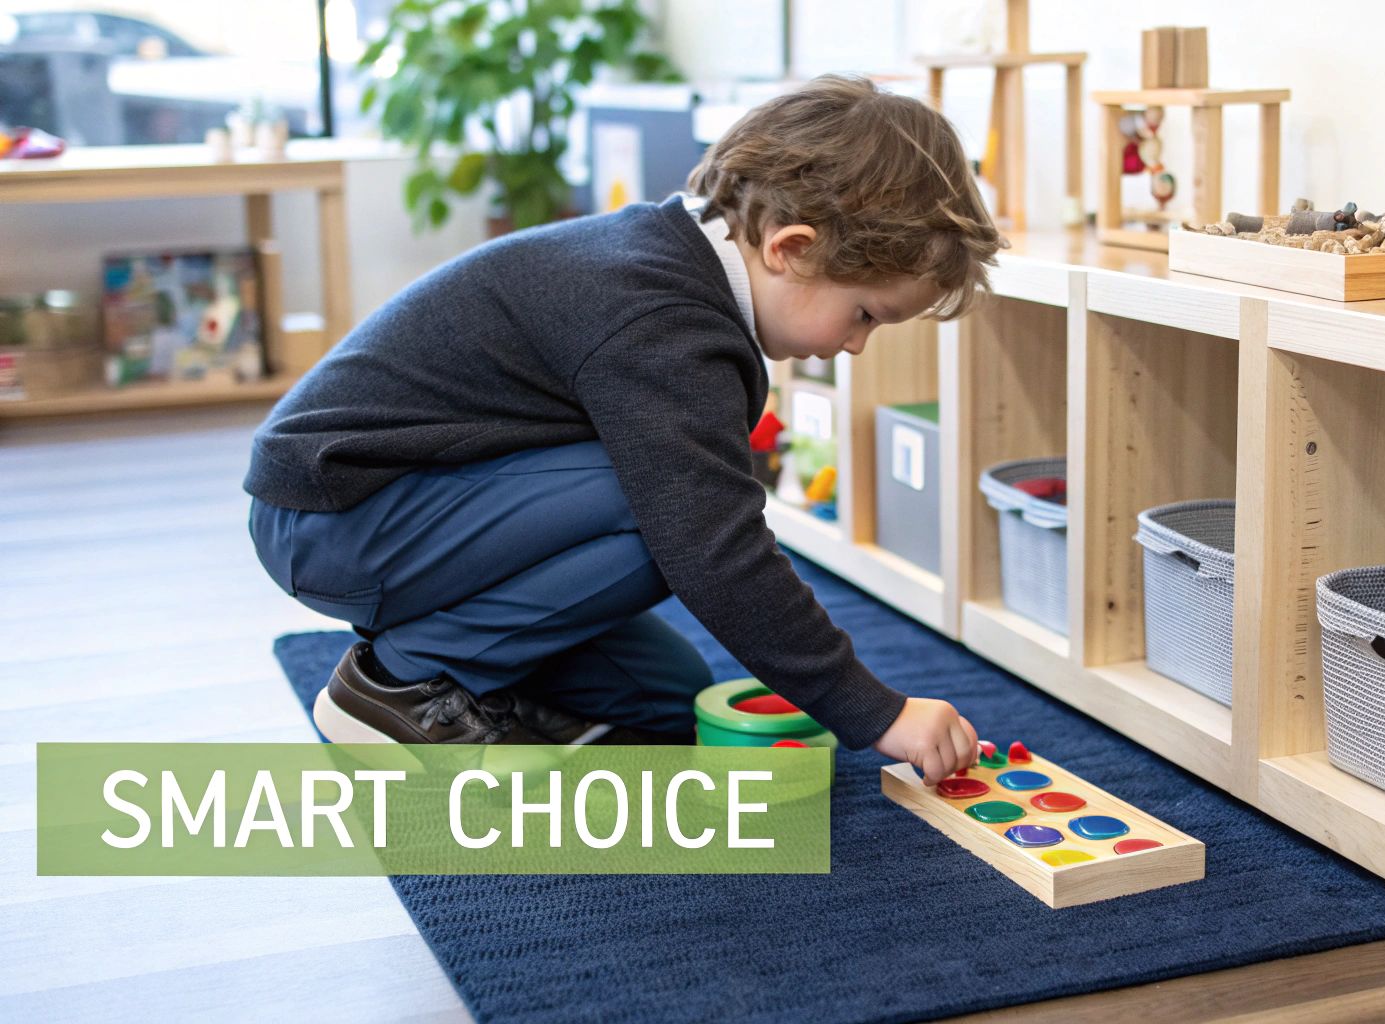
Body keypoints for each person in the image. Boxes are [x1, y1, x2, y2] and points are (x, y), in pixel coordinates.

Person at [244, 75, 1004, 786]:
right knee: (672, 514)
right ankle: (398, 682)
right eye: (865, 314)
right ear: (791, 249)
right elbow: (714, 548)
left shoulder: (677, 267)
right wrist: (877, 711)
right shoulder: (662, 320)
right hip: (334, 520)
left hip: (413, 509)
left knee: (666, 700)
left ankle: (490, 686)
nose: (855, 344)